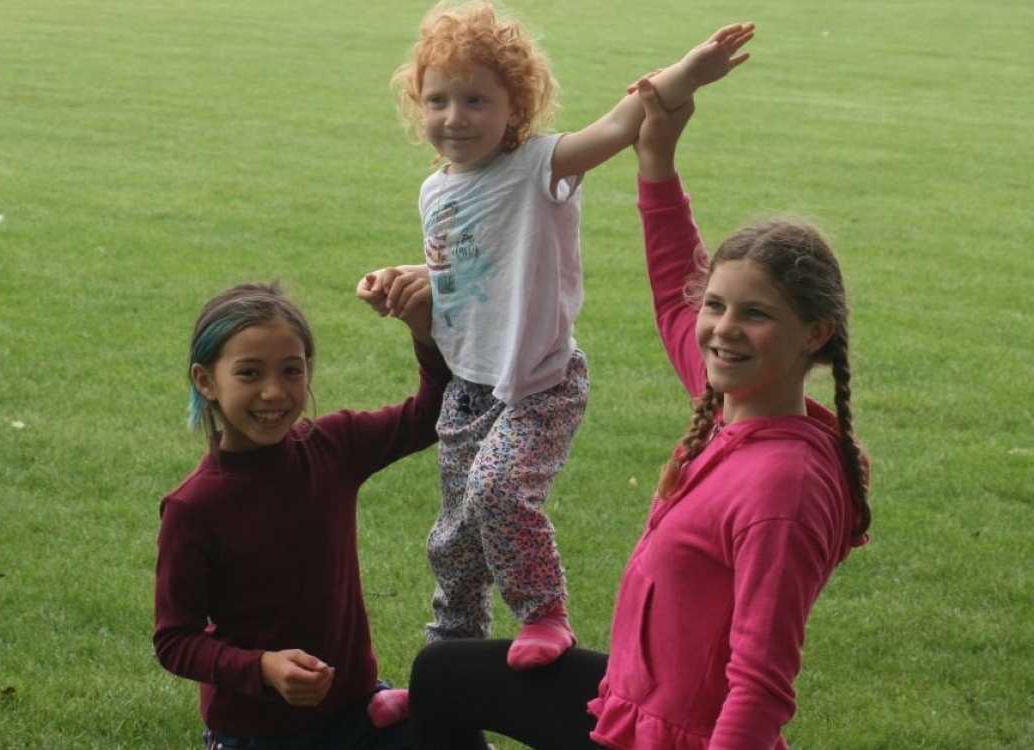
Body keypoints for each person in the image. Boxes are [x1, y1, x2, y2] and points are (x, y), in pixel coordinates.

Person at [403, 72, 873, 749]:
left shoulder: (783, 489)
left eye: (756, 315)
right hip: (629, 700)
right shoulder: (729, 400)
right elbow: (675, 285)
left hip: (664, 737)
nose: (723, 329)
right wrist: (657, 163)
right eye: (717, 306)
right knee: (441, 676)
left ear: (814, 334)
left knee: (446, 680)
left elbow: (761, 686)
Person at [372, 0, 757, 674]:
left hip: (539, 384)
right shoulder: (435, 190)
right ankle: (446, 666)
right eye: (438, 100)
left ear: (514, 106)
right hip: (469, 390)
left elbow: (619, 122)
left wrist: (688, 73)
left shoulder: (539, 166)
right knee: (455, 542)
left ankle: (544, 612)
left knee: (498, 491)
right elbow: (467, 267)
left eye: (476, 100)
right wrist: (412, 280)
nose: (455, 117)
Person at [153, 278, 450, 748]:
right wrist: (263, 667)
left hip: (357, 710)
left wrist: (424, 331)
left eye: (291, 371)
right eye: (249, 373)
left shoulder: (333, 446)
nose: (274, 392)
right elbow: (175, 640)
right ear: (205, 380)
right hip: (258, 733)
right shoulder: (193, 508)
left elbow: (430, 414)